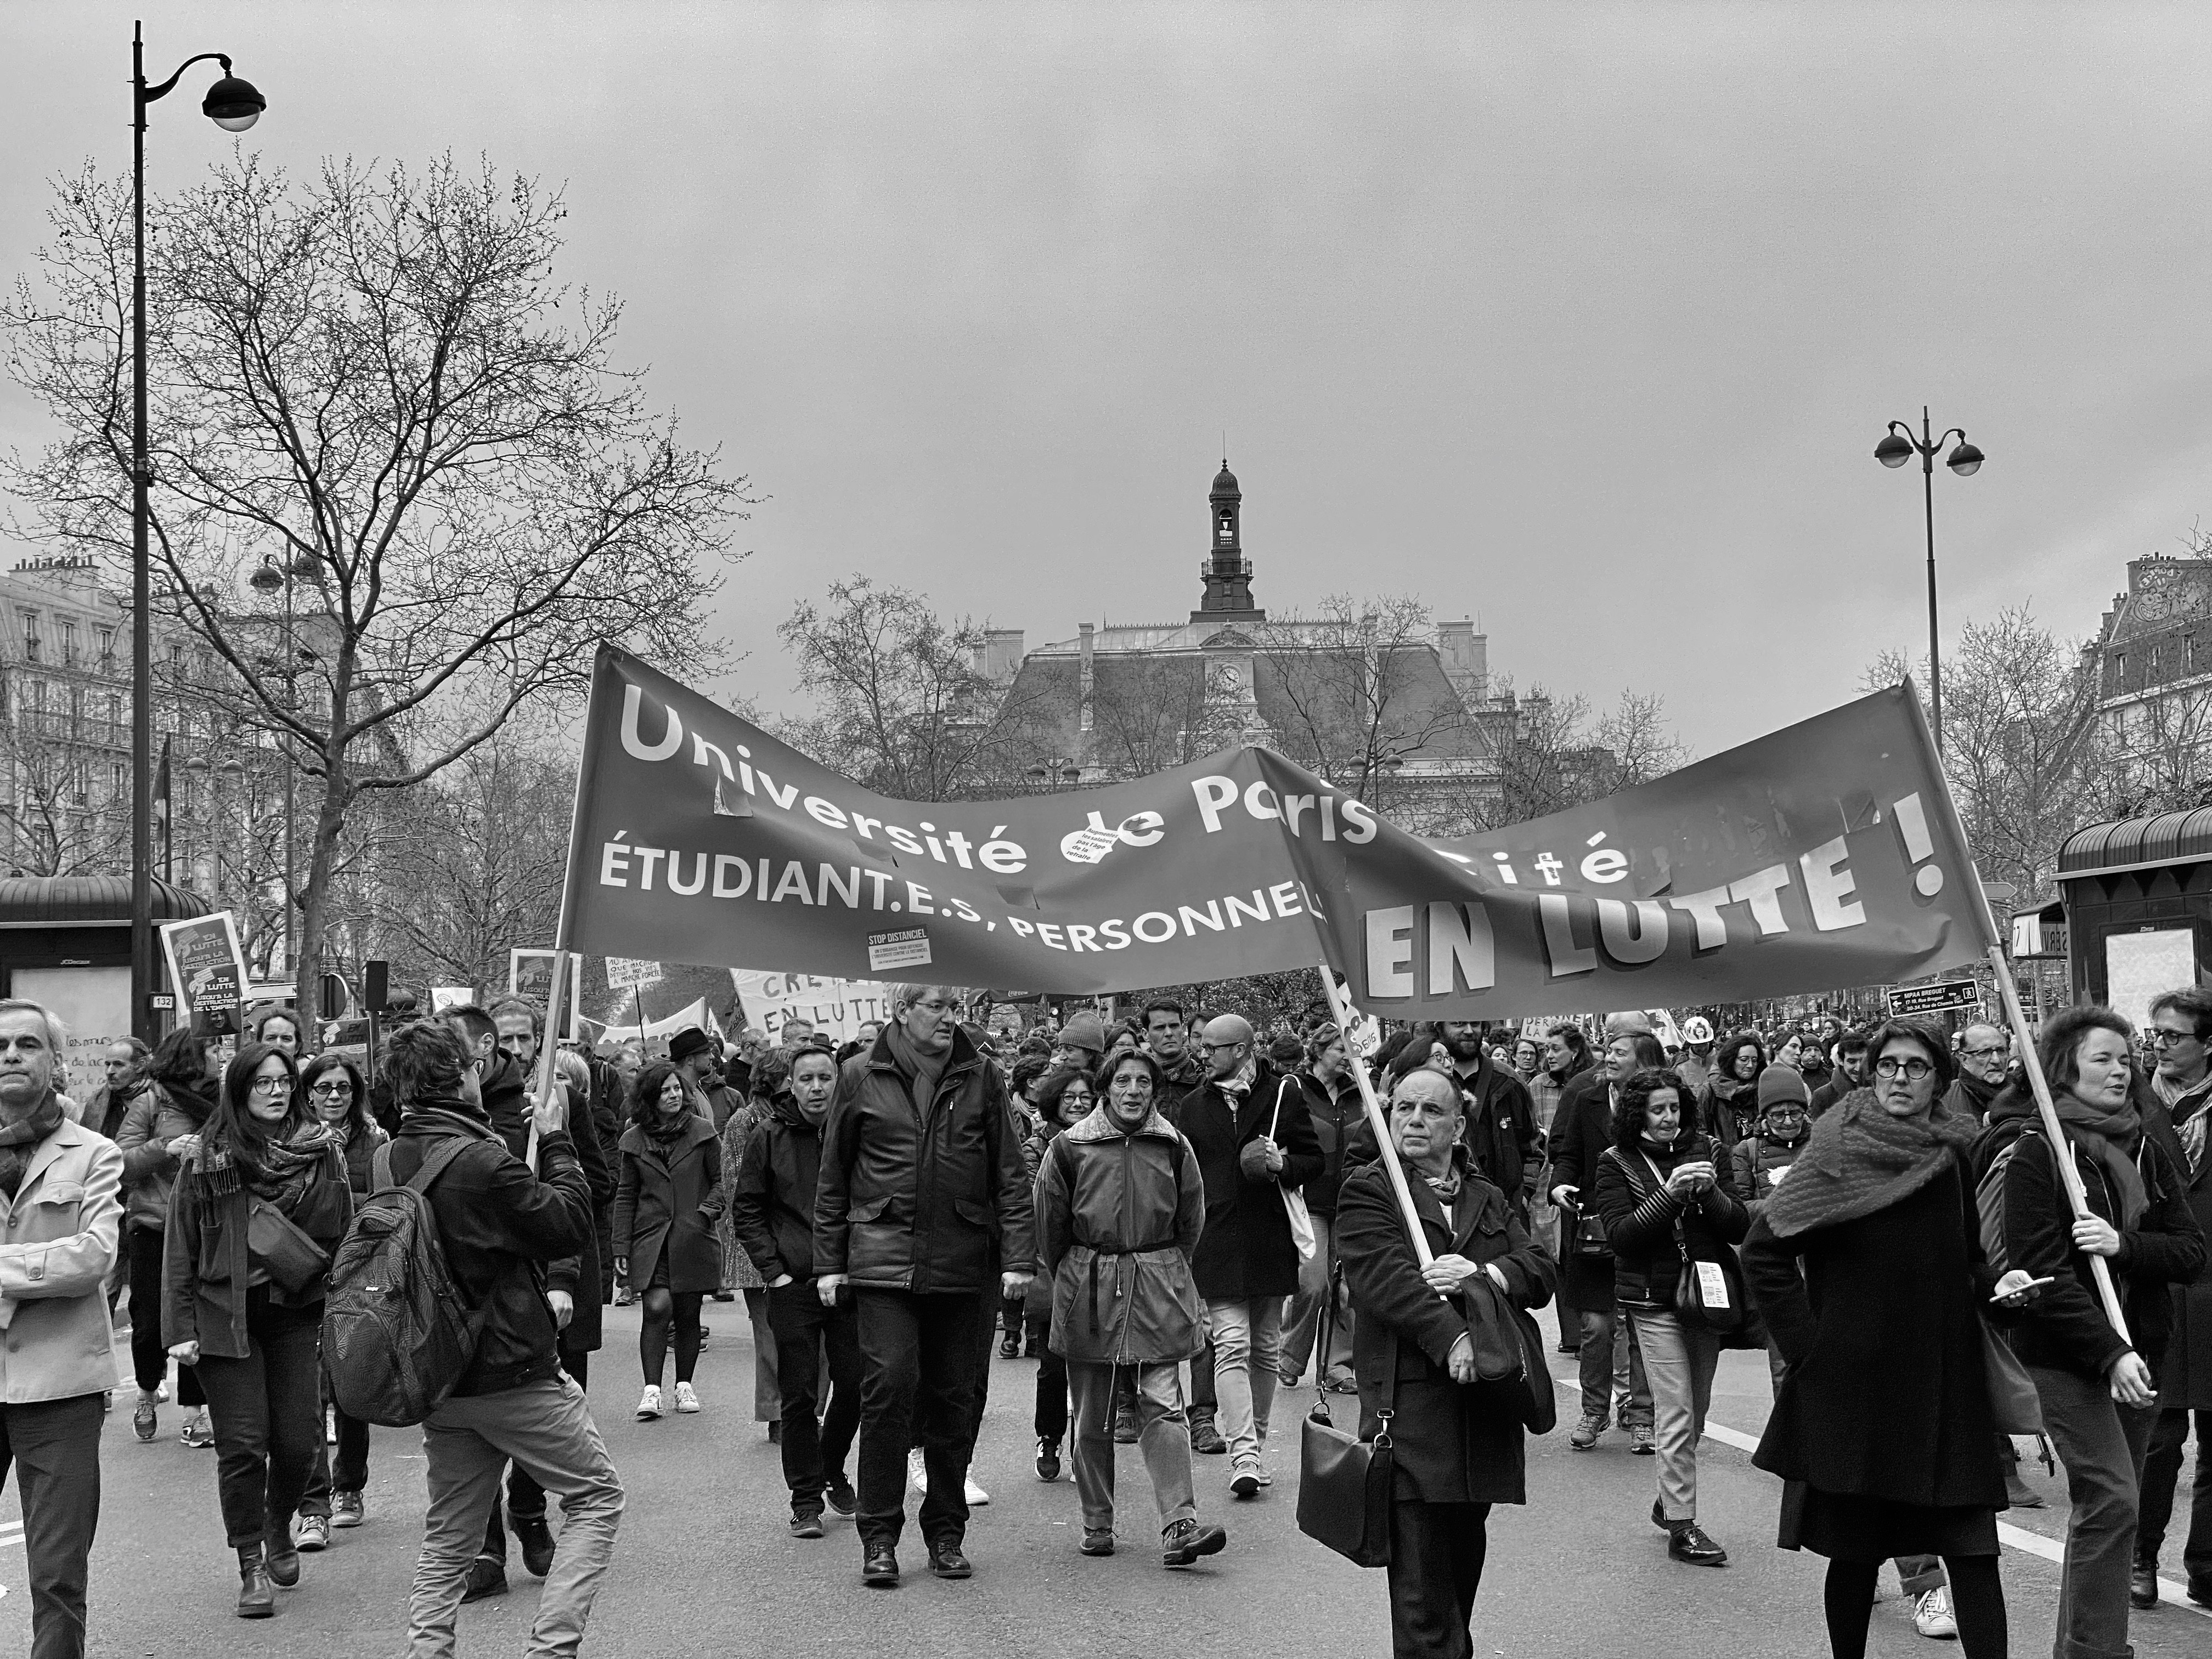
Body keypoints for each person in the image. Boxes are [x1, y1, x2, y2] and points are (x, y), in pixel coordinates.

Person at [1741, 1018, 2012, 1658]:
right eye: (1887, 1064)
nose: (1899, 1077)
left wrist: (2001, 1286)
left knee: (1975, 1551)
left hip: (1948, 1386)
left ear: (1940, 1081)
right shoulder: (1834, 1149)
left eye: (1916, 1067)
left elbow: (1970, 1258)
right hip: (1858, 1391)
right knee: (1857, 1554)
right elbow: (1764, 1256)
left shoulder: (1954, 1153)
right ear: (1869, 1071)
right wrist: (1812, 1348)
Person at [383, 1017, 622, 1657]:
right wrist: (557, 1138)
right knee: (596, 1499)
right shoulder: (483, 1158)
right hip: (512, 1367)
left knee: (450, 1536)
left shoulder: (392, 1155)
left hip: (440, 1372)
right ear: (462, 1075)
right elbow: (568, 1224)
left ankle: (427, 1649)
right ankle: (552, 1647)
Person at [1975, 1006, 2205, 1659]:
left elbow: (2189, 1251)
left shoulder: (2145, 1147)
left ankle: (2075, 1649)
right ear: (2065, 1069)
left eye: (2124, 1058)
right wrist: (2109, 1352)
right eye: (2101, 1057)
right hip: (2067, 1359)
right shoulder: (2038, 1155)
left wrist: (2122, 1245)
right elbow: (2039, 1270)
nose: (2118, 1068)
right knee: (2113, 1501)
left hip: (2143, 1355)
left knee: (2105, 1514)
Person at [813, 983, 1034, 1587]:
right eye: (934, 1006)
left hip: (964, 1262)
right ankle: (879, 1536)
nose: (947, 1016)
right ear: (901, 1011)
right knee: (889, 1386)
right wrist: (828, 1263)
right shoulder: (859, 1074)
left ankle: (945, 1533)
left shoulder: (982, 1076)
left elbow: (1010, 1175)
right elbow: (834, 1176)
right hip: (881, 1261)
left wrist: (1018, 1257)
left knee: (954, 1397)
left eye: (952, 1007)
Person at [1337, 1066, 1555, 1659]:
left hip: (1483, 1414)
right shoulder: (1370, 1189)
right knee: (1423, 1606)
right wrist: (1455, 1338)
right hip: (1409, 1416)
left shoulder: (1486, 1195)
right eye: (1403, 1109)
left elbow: (1538, 1268)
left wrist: (1482, 1275)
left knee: (1458, 1583)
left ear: (1457, 1126)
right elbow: (1386, 1280)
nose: (1413, 1121)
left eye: (1430, 1112)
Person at [163, 1041, 353, 1618]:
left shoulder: (322, 1153)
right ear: (238, 1091)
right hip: (226, 1320)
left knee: (299, 1443)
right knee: (243, 1446)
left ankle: (277, 1524)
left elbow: (342, 1233)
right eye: (261, 1083)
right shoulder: (207, 1157)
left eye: (283, 1082)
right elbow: (180, 1247)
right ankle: (251, 1562)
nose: (276, 1091)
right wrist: (179, 1327)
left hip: (298, 1313)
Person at [1035, 1049, 1226, 1566]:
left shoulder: (1174, 1146)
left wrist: (1162, 1267)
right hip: (1088, 1285)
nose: (1134, 1090)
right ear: (1106, 1087)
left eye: (1144, 1081)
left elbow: (1192, 1220)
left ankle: (1179, 1524)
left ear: (1155, 1089)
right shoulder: (1068, 1147)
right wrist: (1078, 1276)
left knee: (1164, 1405)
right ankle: (1097, 1521)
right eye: (1123, 1081)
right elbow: (1050, 1228)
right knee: (1092, 1415)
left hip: (1158, 1283)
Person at [452, 1002, 613, 1602]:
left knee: (547, 1407)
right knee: (482, 1410)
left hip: (558, 1278)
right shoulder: (457, 1112)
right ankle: (486, 1546)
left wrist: (566, 1274)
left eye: (526, 1039)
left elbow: (591, 1187)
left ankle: (529, 1509)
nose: (518, 1050)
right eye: (507, 1040)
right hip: (489, 1287)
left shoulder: (554, 1100)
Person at [0, 998, 126, 1659]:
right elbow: (64, 1259)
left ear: (56, 1064)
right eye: (2, 1047)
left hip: (62, 1387)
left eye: (27, 1044)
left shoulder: (95, 1154)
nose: (12, 1056)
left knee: (57, 1575)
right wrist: (33, 1272)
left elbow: (94, 1257)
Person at [1593, 1065, 1747, 1565]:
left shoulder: (1711, 1151)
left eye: (1674, 1109)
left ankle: (1668, 1499)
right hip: (1651, 1301)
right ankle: (1684, 1525)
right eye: (1657, 1110)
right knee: (1675, 1409)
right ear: (1638, 1113)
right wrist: (1670, 1194)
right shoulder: (1616, 1162)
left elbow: (1739, 1226)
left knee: (1697, 1409)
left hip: (1705, 1294)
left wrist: (1710, 1193)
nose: (1667, 1119)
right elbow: (1622, 1236)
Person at [1167, 1013, 1322, 1500]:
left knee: (1267, 1347)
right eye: (1203, 1046)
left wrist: (1283, 1165)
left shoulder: (1284, 1096)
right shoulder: (1192, 1107)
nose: (1203, 1054)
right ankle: (1244, 1453)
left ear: (1242, 1050)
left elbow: (1315, 1159)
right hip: (1213, 1241)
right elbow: (1178, 1177)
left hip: (1268, 1238)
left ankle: (1254, 1435)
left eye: (1213, 1047)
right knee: (1231, 1343)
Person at [731, 1038, 861, 1537]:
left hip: (851, 1281)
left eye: (824, 1078)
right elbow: (747, 1208)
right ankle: (805, 1499)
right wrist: (775, 1271)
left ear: (838, 1081)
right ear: (791, 1083)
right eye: (805, 1078)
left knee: (855, 1385)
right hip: (793, 1283)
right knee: (800, 1395)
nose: (815, 1088)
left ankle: (831, 1466)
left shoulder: (856, 1130)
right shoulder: (767, 1135)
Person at [1547, 1028, 1663, 1452]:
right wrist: (1559, 1187)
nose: (1608, 1059)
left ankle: (1643, 1415)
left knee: (1641, 1323)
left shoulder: (1664, 1103)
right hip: (1594, 1228)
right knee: (1597, 1326)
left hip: (1650, 1224)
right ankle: (1594, 1410)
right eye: (1607, 1051)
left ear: (1643, 1061)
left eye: (1619, 1053)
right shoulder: (1586, 1099)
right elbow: (1569, 1155)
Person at [2136, 986, 2212, 1609]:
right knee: (2156, 1437)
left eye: (2172, 1036)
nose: (2158, 1045)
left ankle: (2207, 1566)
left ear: (2207, 1043)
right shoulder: (2129, 1102)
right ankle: (2141, 1556)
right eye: (2154, 1034)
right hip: (2152, 1284)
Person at [114, 1028, 219, 1447]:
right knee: (149, 1322)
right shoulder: (152, 1100)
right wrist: (165, 1147)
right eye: (212, 1048)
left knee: (196, 1319)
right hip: (155, 1224)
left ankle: (195, 1413)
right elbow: (118, 1163)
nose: (219, 1054)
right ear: (190, 1057)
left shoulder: (225, 1098)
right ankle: (145, 1390)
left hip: (205, 1223)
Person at [294, 1053, 384, 1542]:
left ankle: (349, 1486)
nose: (333, 1096)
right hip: (301, 1277)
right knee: (307, 1391)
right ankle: (313, 1501)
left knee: (351, 1384)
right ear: (307, 1093)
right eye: (324, 1088)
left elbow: (389, 1204)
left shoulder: (375, 1142)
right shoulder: (288, 1141)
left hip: (357, 1276)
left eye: (343, 1088)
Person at [613, 1059, 726, 1420]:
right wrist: (620, 1246)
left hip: (692, 1237)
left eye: (678, 1088)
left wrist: (707, 1212)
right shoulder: (633, 1140)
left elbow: (723, 1181)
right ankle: (651, 1391)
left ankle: (684, 1385)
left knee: (689, 1313)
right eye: (665, 1090)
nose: (674, 1095)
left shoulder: (703, 1131)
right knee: (657, 1308)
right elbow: (626, 1195)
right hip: (650, 1239)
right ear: (650, 1098)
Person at [1019, 1067, 1097, 1480]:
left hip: (1098, 1268)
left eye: (1086, 1096)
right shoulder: (1037, 1148)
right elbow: (1039, 1206)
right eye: (1069, 1096)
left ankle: (1085, 1446)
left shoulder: (1106, 1141)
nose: (1078, 1103)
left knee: (1093, 1364)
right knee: (1053, 1364)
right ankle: (1048, 1437)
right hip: (1054, 1266)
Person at [1280, 1023, 1362, 1394]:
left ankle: (1338, 1367)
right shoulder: (1294, 1088)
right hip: (1308, 1201)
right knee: (1313, 1284)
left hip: (1352, 1202)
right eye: (1340, 1050)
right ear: (1319, 1050)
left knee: (1346, 1290)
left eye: (1350, 1051)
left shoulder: (1360, 1091)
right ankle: (1289, 1358)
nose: (1347, 1057)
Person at [715, 1052, 781, 1432]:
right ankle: (777, 1413)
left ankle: (805, 1408)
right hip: (758, 1242)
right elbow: (736, 1183)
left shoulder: (813, 1118)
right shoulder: (745, 1121)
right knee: (769, 1331)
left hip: (801, 1242)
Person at [1438, 1020, 1542, 1221]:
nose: (1469, 1031)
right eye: (1458, 1024)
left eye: (1475, 1024)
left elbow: (1532, 1146)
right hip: (1445, 1211)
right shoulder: (1425, 1080)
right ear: (1440, 1028)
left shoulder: (1509, 1082)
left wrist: (1525, 1193)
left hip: (1504, 1212)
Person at [1700, 1033, 1768, 1153]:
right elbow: (1701, 1133)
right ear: (1731, 1060)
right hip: (1723, 1162)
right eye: (1744, 1060)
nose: (1750, 1065)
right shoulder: (1710, 1091)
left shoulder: (1763, 1087)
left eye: (1754, 1060)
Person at [1945, 1024, 2012, 1121]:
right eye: (1984, 1052)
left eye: (2001, 1051)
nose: (1996, 1060)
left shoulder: (2025, 1096)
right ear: (1964, 1059)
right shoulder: (1944, 1100)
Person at [1808, 1032, 1870, 1119]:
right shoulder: (1822, 1096)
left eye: (1864, 1061)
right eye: (1852, 1062)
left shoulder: (1879, 1090)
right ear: (1840, 1060)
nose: (1858, 1068)